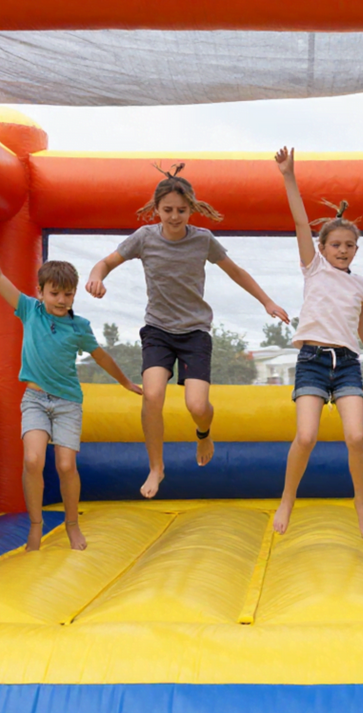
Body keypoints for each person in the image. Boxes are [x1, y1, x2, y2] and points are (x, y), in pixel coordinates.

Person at [85, 164, 289, 499]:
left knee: (197, 405)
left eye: (182, 210)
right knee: (153, 395)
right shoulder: (144, 238)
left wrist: (266, 301)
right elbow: (105, 262)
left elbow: (236, 272)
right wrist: (97, 276)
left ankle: (204, 432)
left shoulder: (203, 240)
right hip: (157, 329)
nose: (175, 216)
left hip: (194, 331)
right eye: (167, 210)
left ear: (191, 210)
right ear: (156, 210)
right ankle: (156, 466)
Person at [0, 204, 142, 552]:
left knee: (64, 463)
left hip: (67, 403)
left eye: (68, 294)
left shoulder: (79, 327)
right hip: (34, 399)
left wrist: (124, 382)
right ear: (41, 292)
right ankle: (35, 525)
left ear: (74, 294)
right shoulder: (29, 310)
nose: (61, 300)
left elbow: (100, 355)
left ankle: (72, 524)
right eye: (54, 293)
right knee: (32, 459)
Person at [271, 147, 363, 538]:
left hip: (346, 363)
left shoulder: (360, 285)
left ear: (356, 250)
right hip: (311, 359)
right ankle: (288, 498)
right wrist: (288, 176)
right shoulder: (314, 269)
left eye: (349, 246)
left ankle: (361, 500)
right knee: (307, 435)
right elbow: (298, 221)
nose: (342, 250)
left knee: (356, 436)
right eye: (335, 245)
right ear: (323, 248)